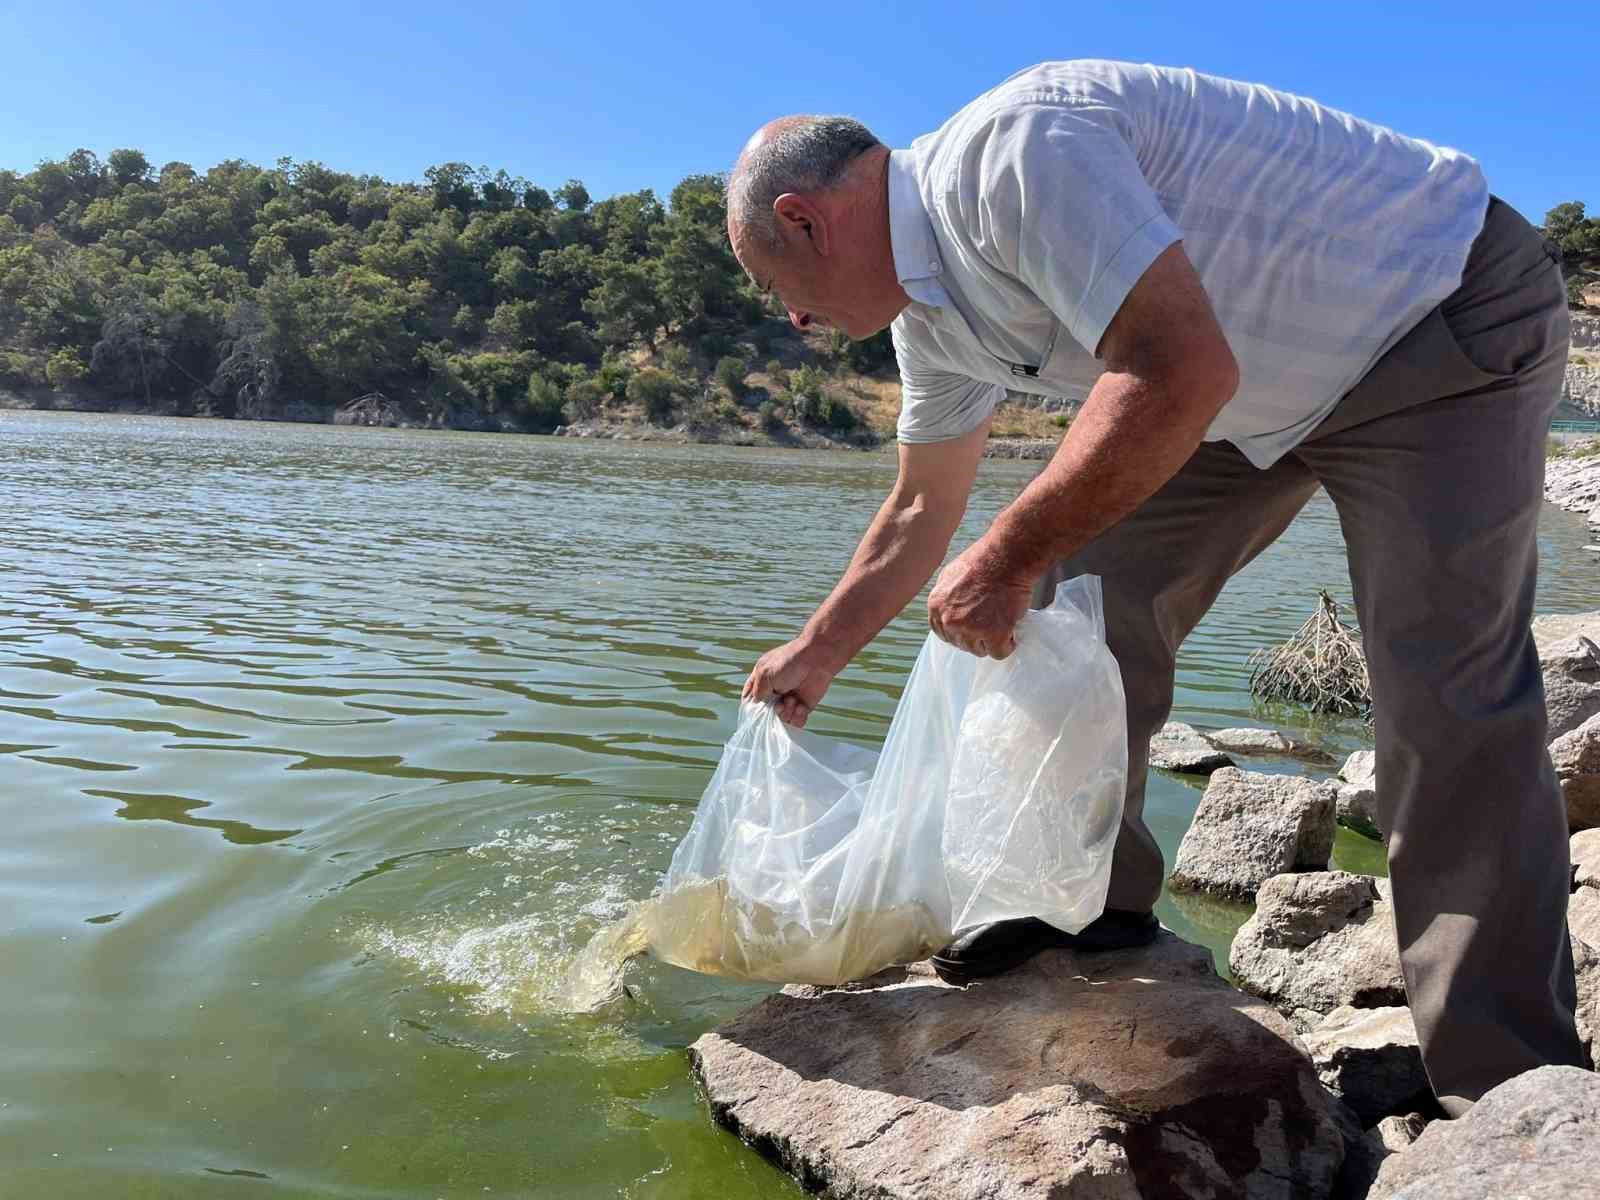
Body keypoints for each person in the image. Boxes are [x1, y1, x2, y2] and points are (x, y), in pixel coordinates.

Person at [729, 60, 1584, 1115]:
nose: (792, 322)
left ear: (804, 219)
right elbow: (917, 511)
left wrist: (1001, 556)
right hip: (1242, 388)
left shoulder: (1012, 154)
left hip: (1434, 323)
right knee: (1075, 600)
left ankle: (1507, 1078)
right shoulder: (931, 319)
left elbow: (1175, 370)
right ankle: (1093, 909)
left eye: (775, 289)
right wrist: (817, 650)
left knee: (1442, 692)